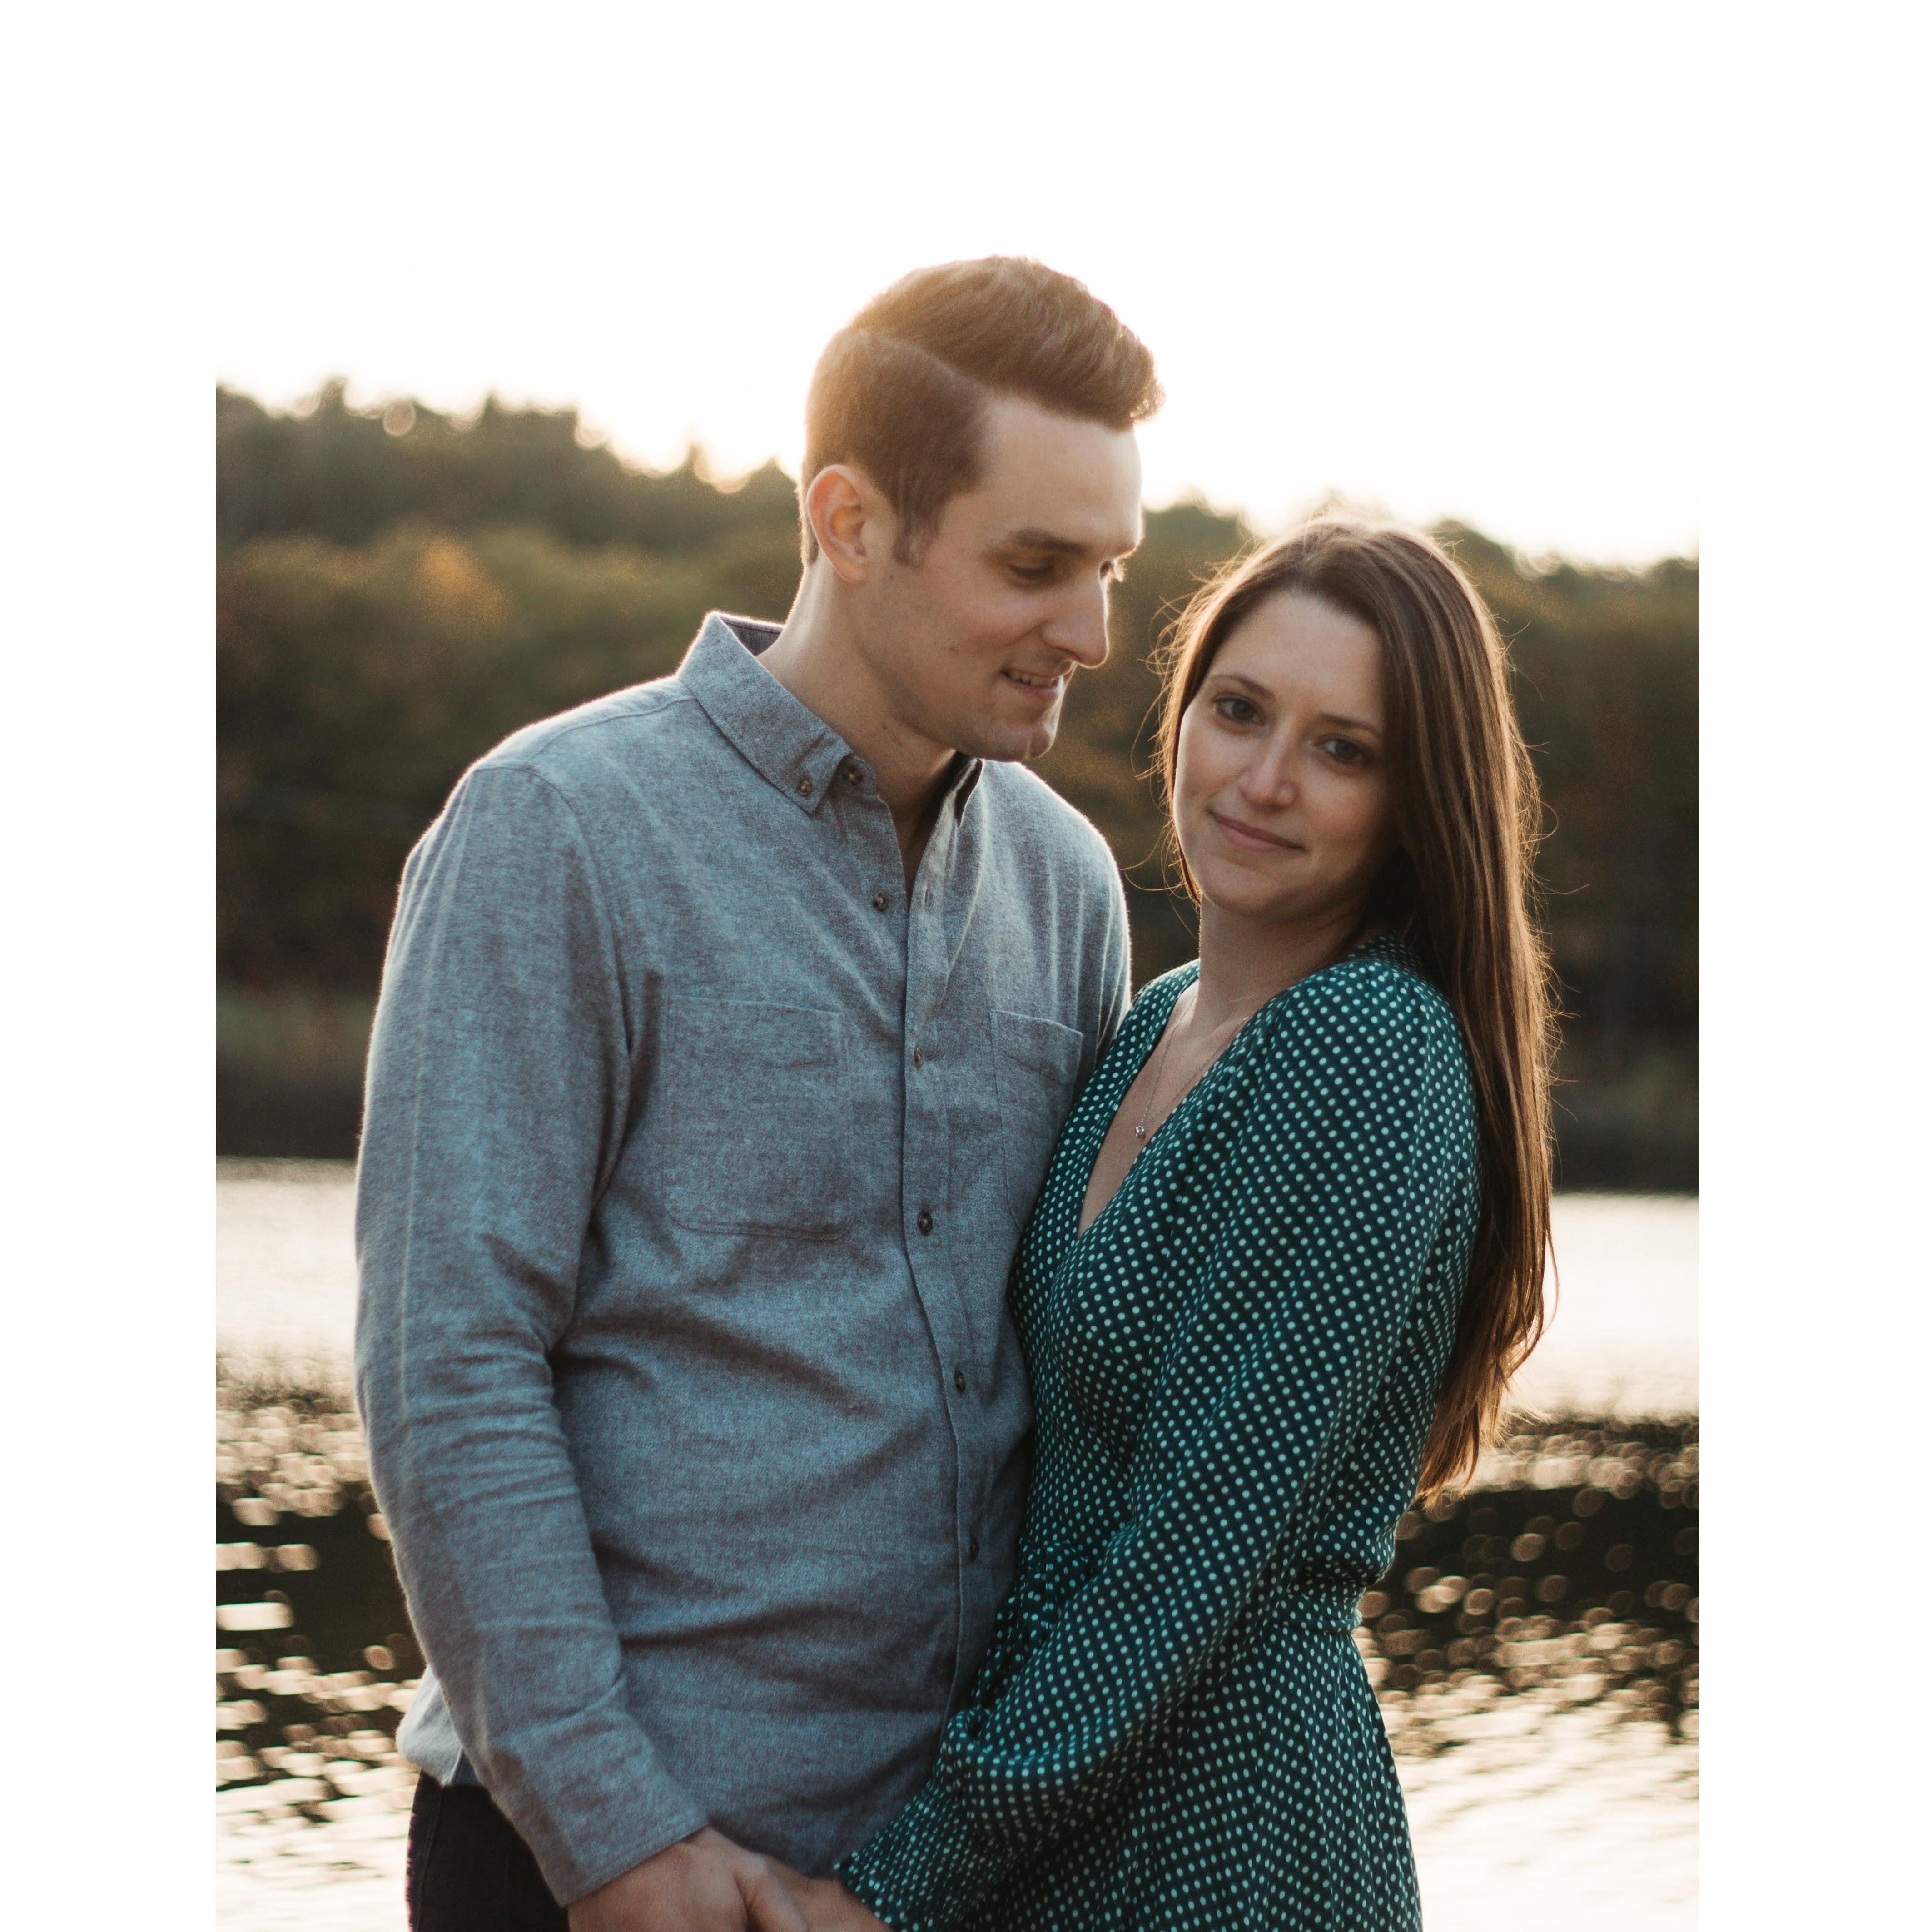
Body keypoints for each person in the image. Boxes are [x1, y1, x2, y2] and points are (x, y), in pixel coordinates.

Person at [353, 257, 1161, 1931]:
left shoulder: (1072, 886)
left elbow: (1064, 1377)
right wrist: (614, 1837)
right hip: (589, 1865)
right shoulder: (555, 830)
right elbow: (451, 1359)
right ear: (851, 521)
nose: (1089, 632)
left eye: (1109, 570)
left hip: (933, 1883)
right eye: (1035, 566)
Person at [778, 517, 1556, 1930]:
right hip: (1066, 1808)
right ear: (1182, 712)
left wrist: (902, 1887)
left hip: (1228, 1826)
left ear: (1412, 798)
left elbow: (1189, 1558)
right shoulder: (1149, 1024)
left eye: (1343, 749)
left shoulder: (1366, 1049)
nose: (1263, 781)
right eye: (1240, 711)